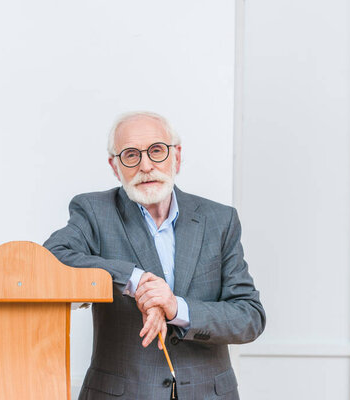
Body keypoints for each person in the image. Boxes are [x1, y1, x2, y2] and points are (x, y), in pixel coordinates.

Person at [44, 111, 266, 399]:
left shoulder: (219, 220)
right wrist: (137, 281)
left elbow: (249, 317)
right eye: (131, 155)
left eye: (157, 151)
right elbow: (51, 258)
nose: (146, 166)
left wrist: (177, 308)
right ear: (115, 166)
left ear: (176, 156)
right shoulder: (94, 211)